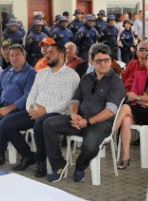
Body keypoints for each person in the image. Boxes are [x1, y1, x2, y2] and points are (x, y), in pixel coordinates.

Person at [43, 43, 125, 183]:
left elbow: (111, 111)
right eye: (99, 60)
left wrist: (87, 122)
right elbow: (75, 100)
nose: (103, 64)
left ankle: (80, 166)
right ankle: (59, 165)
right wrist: (74, 114)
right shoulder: (86, 79)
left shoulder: (116, 82)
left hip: (100, 124)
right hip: (79, 120)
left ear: (111, 61)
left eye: (106, 60)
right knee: (48, 124)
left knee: (90, 146)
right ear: (92, 62)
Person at [0, 43, 79, 176]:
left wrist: (45, 110)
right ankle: (28, 155)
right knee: (6, 124)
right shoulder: (41, 73)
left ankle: (41, 161)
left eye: (51, 52)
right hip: (36, 112)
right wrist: (30, 108)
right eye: (46, 52)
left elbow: (67, 102)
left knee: (39, 124)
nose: (46, 55)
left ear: (61, 55)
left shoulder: (71, 75)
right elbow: (32, 94)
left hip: (56, 114)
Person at [114, 50, 148, 169]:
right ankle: (125, 157)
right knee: (126, 120)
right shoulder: (139, 74)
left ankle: (110, 133)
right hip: (140, 109)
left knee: (125, 107)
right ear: (146, 62)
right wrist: (146, 102)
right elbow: (131, 95)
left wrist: (138, 98)